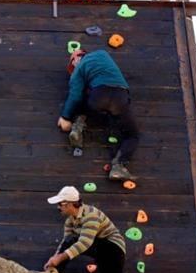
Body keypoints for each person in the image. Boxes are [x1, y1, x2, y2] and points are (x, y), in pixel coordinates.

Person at [44, 186, 150, 273]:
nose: (58, 208)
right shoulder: (70, 221)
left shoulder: (91, 215)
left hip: (113, 249)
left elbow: (84, 243)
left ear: (69, 204)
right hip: (100, 251)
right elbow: (65, 244)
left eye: (60, 204)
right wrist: (53, 261)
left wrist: (59, 258)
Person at [57, 48, 139, 180]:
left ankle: (78, 125)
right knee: (132, 135)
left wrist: (65, 117)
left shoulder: (79, 67)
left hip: (98, 97)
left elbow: (75, 95)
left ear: (77, 59)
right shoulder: (103, 53)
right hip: (120, 97)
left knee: (83, 95)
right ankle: (118, 166)